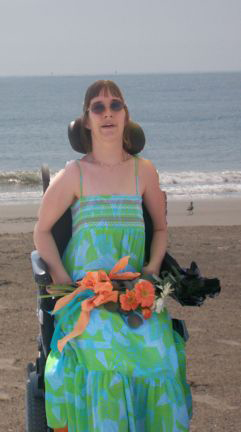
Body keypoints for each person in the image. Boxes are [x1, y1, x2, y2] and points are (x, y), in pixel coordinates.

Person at [34, 80, 192, 432]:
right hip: (86, 295)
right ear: (87, 121)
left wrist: (151, 269)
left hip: (136, 291)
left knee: (160, 355)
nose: (108, 113)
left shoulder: (143, 172)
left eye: (115, 105)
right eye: (98, 107)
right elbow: (41, 231)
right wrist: (61, 279)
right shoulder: (73, 174)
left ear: (126, 116)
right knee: (105, 357)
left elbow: (161, 229)